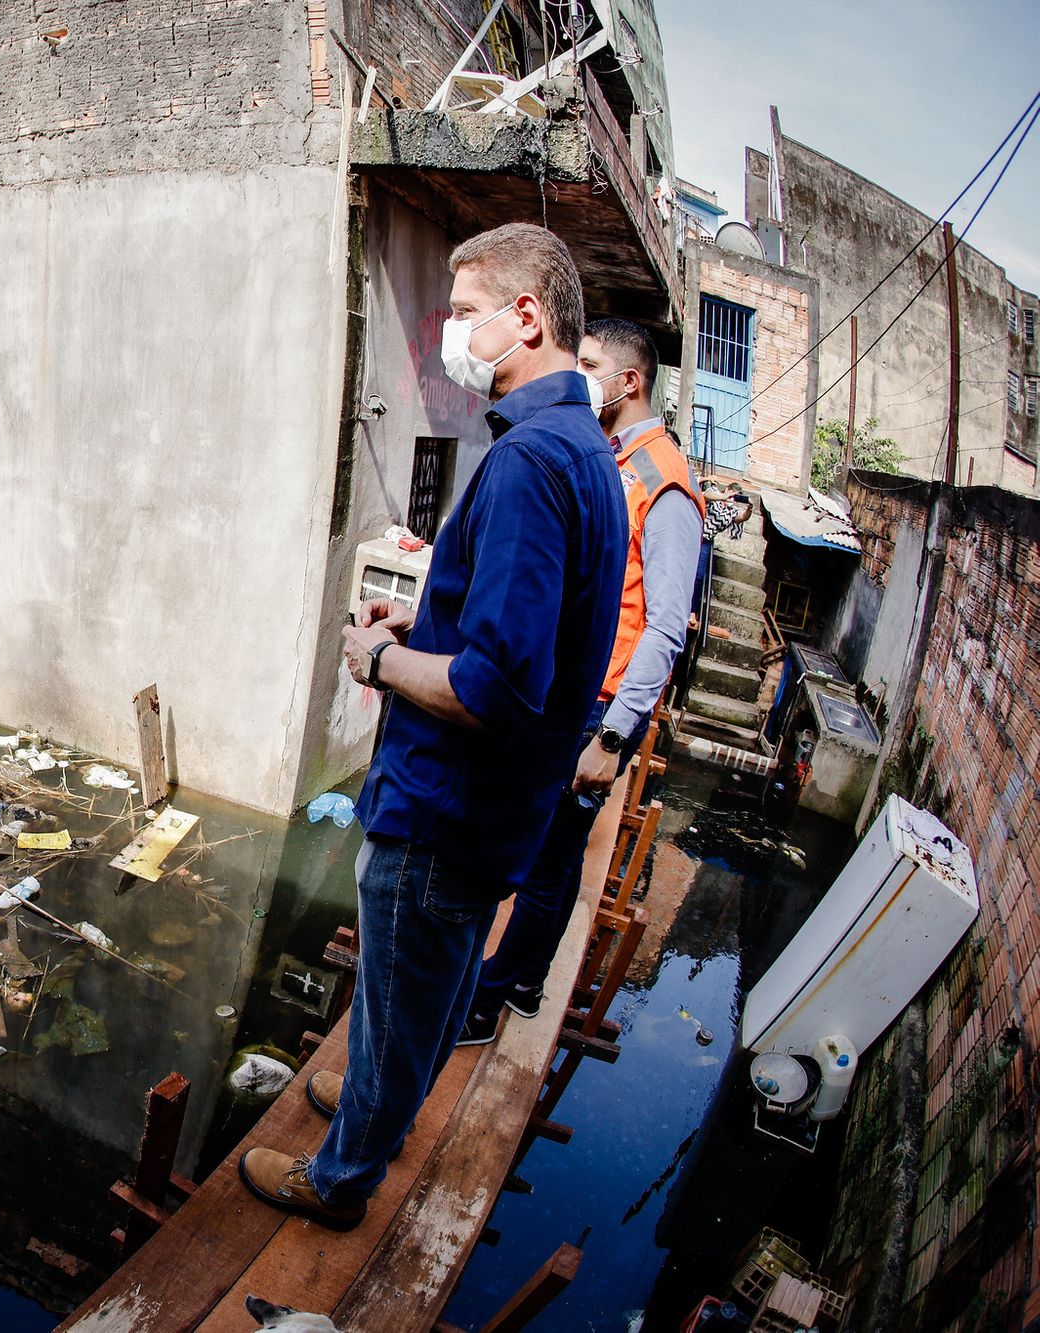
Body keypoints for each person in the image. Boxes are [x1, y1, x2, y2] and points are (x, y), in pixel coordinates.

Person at [237, 222, 628, 1228]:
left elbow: (496, 685)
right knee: (417, 989)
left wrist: (378, 659)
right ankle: (375, 1106)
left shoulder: (530, 462)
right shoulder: (582, 449)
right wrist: (431, 619)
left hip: (446, 807)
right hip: (493, 812)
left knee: (408, 983)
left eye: (462, 312)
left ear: (524, 316)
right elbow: (525, 633)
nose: (450, 332)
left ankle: (338, 1179)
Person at [453, 318, 704, 1047]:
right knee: (556, 855)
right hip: (580, 695)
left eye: (591, 364)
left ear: (630, 382)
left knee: (545, 857)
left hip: (601, 708)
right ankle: (525, 981)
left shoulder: (665, 485)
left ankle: (486, 1001)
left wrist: (617, 738)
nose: (579, 372)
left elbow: (664, 626)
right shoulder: (615, 458)